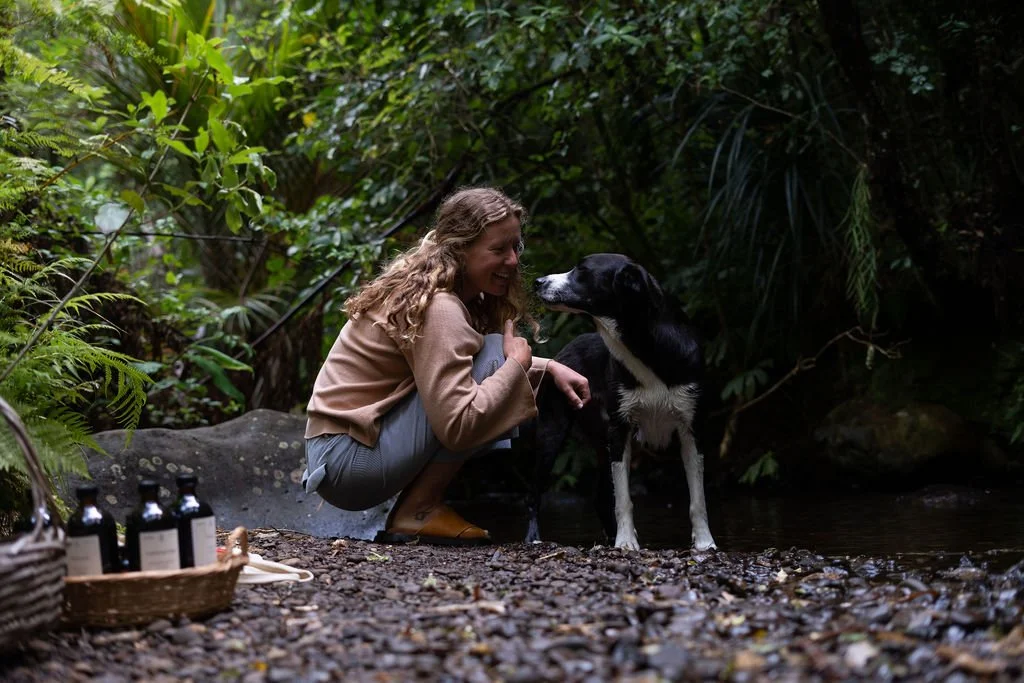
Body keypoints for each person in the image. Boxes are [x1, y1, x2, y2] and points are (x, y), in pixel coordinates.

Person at [302, 186, 590, 546]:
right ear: (460, 250)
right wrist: (516, 366)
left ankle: (419, 508)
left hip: (338, 455)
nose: (513, 261)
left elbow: (460, 362)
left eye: (516, 247)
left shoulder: (431, 289)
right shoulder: (441, 308)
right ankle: (418, 510)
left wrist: (547, 368)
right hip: (349, 462)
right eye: (498, 250)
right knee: (492, 356)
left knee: (491, 355)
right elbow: (457, 424)